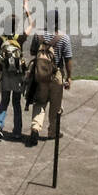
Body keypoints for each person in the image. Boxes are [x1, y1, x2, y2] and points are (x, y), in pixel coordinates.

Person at [26, 11, 73, 146]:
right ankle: (53, 132)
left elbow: (32, 52)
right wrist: (69, 77)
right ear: (58, 21)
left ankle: (35, 127)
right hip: (56, 75)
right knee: (55, 105)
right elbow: (68, 59)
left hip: (40, 74)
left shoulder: (38, 35)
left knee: (40, 102)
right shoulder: (64, 38)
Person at [0, 1, 35, 141]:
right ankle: (16, 132)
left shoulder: (0, 40)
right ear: (15, 26)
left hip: (5, 76)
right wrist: (26, 9)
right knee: (16, 103)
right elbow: (32, 25)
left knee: (4, 101)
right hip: (17, 76)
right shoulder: (20, 38)